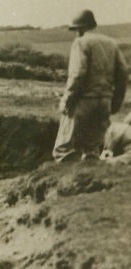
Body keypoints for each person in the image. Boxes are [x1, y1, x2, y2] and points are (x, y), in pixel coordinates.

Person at [54, 10, 127, 162]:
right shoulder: (112, 43)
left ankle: (64, 182)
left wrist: (66, 101)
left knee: (64, 151)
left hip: (83, 102)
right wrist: (115, 103)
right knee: (91, 152)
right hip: (104, 103)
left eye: (75, 30)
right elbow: (123, 75)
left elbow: (77, 74)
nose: (75, 34)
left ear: (80, 29)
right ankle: (88, 183)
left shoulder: (81, 42)